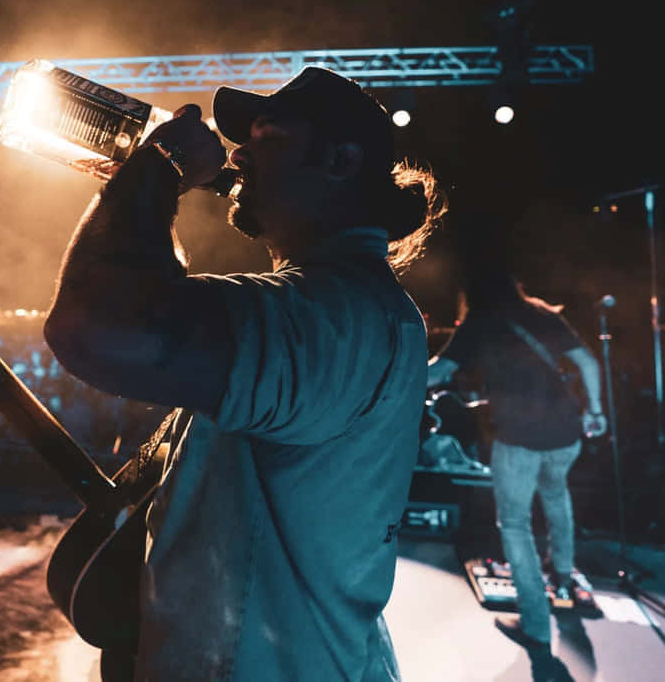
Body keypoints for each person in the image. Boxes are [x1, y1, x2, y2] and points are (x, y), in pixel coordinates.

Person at [44, 66, 445, 680]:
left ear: (339, 161)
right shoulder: (350, 312)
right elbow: (152, 309)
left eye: (268, 137)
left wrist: (157, 174)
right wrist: (139, 201)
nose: (238, 153)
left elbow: (97, 326)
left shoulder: (333, 318)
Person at [426, 265, 607, 658]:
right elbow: (589, 364)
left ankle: (536, 627)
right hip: (565, 433)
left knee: (515, 524)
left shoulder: (478, 323)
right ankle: (562, 581)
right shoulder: (541, 312)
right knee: (557, 499)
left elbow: (439, 371)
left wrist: (397, 379)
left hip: (519, 440)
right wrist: (596, 411)